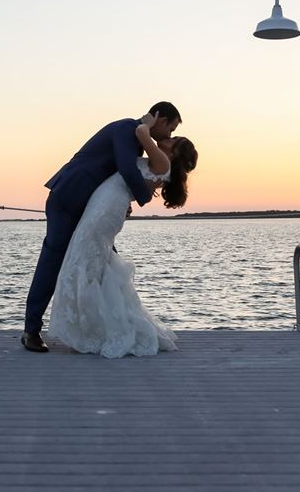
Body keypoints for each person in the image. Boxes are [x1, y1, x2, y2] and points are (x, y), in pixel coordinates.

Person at [21, 102, 183, 353]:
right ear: (160, 119)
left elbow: (115, 178)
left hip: (92, 209)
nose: (169, 135)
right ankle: (31, 330)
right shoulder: (126, 129)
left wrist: (122, 201)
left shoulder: (138, 141)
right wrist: (142, 198)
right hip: (68, 198)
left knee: (105, 264)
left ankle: (103, 327)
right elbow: (126, 169)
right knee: (53, 259)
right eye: (170, 129)